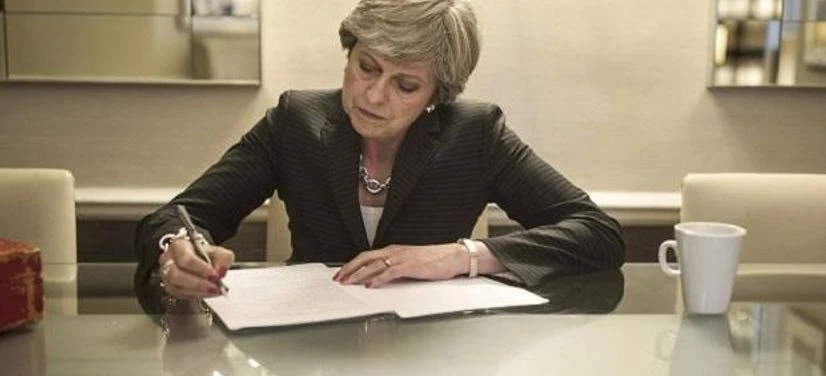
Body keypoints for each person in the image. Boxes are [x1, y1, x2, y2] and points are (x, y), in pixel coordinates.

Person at [134, 0, 625, 301]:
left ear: (437, 96)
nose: (373, 95)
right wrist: (175, 251)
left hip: (433, 355)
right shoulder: (295, 121)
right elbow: (177, 215)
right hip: (310, 351)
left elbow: (598, 234)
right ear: (348, 54)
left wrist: (461, 256)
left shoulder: (475, 133)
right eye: (367, 67)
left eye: (405, 84)